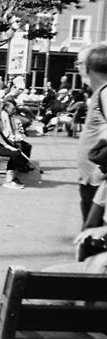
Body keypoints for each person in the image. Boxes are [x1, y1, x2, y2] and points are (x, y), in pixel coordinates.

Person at [76, 43, 107, 226]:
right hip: (89, 179)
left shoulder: (104, 92)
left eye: (80, 63)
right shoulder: (97, 93)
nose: (79, 69)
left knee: (92, 240)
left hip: (97, 180)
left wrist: (99, 170)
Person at [0, 99, 32, 168]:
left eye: (14, 108)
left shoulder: (12, 116)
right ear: (6, 107)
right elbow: (4, 130)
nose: (14, 110)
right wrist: (13, 138)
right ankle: (21, 166)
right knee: (19, 147)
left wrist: (18, 135)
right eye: (12, 109)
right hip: (7, 138)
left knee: (27, 146)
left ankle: (24, 164)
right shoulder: (2, 116)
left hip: (13, 137)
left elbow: (16, 128)